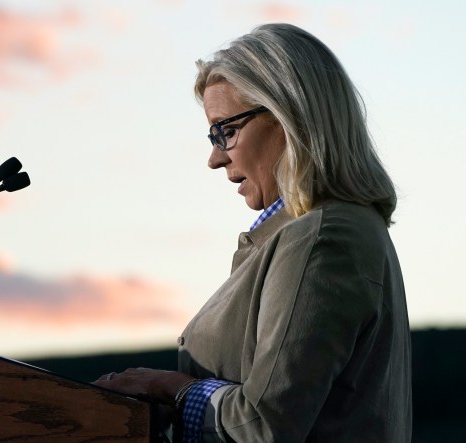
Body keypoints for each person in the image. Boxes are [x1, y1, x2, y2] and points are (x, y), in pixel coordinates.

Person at [93, 23, 411, 442]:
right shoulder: (324, 231)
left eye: (225, 129)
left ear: (287, 115)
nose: (214, 158)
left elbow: (264, 426)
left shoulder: (322, 239)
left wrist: (174, 390)